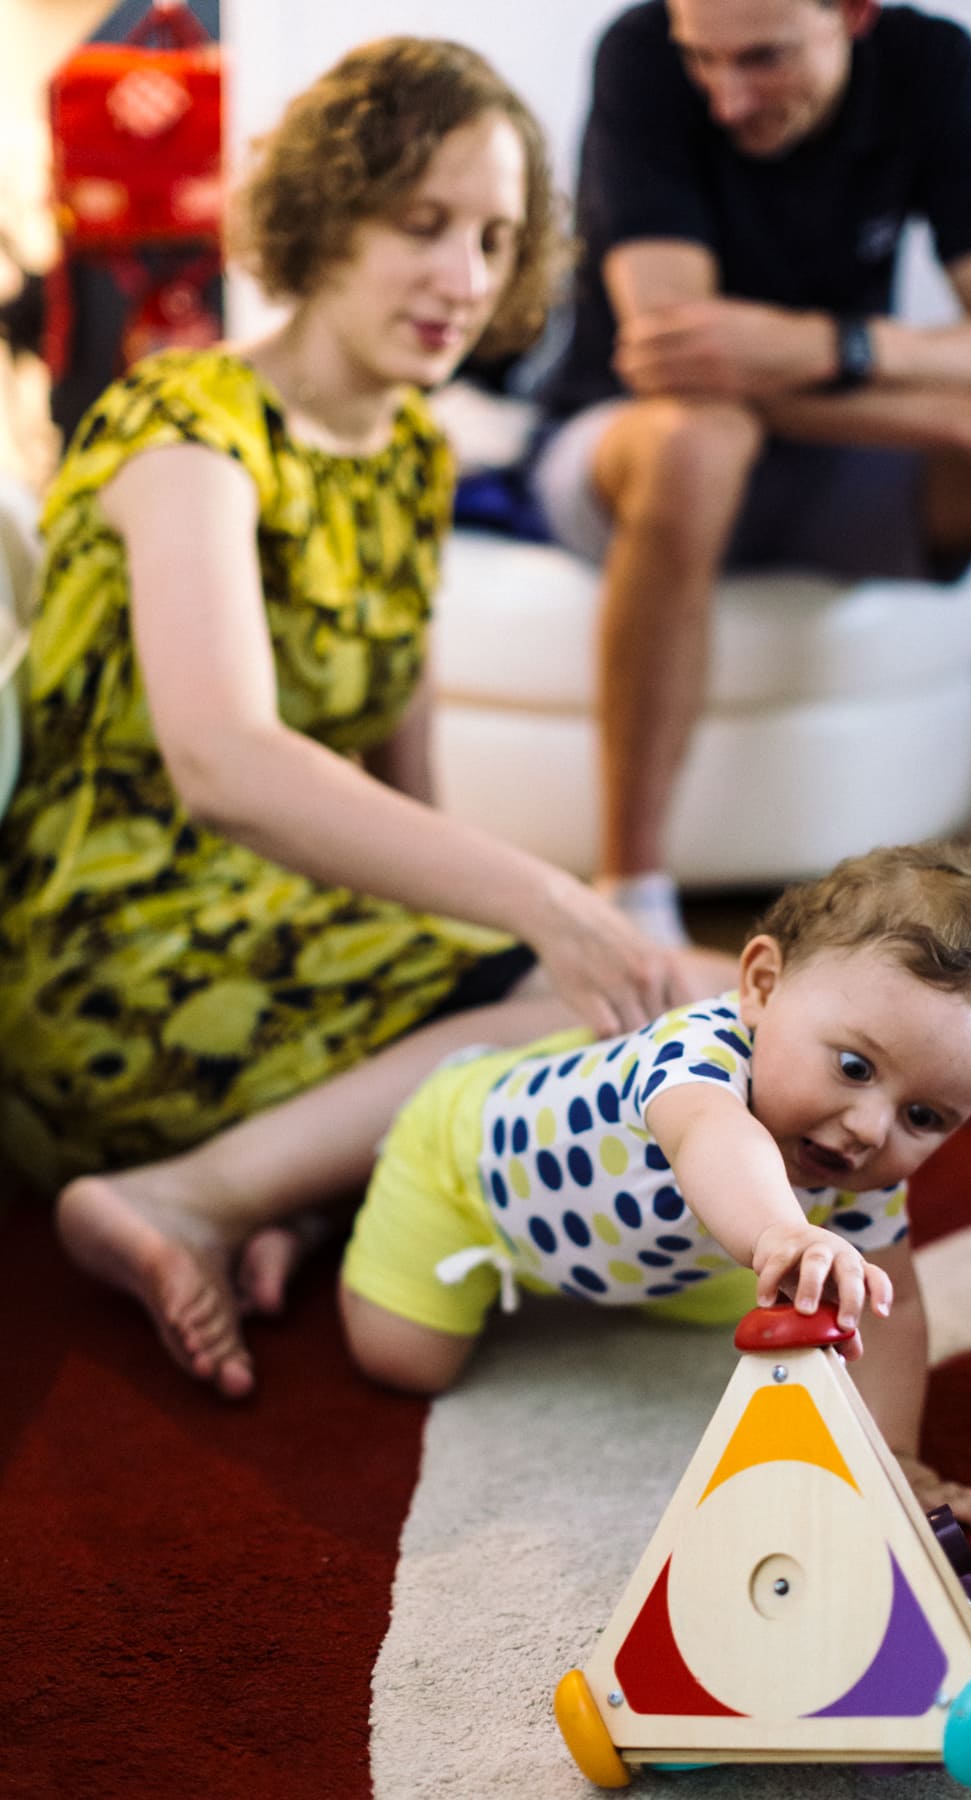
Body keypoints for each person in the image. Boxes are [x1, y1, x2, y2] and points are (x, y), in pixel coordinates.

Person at [1, 38, 734, 1398]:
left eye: (495, 239)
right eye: (423, 223)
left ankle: (317, 1191)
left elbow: (406, 795)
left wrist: (515, 934)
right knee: (619, 1010)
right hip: (115, 955)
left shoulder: (408, 452)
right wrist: (549, 904)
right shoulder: (186, 421)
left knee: (691, 1001)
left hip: (285, 931)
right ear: (327, 213)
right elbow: (223, 763)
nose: (466, 276)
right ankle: (189, 1195)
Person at [529, 0, 971, 1006]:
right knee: (700, 442)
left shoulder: (934, 66)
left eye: (764, 59)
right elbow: (684, 368)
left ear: (853, 14)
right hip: (634, 442)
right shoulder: (638, 55)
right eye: (703, 60)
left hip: (822, 448)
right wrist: (961, 416)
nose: (727, 98)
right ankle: (632, 893)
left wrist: (822, 345)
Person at [338, 841, 971, 1529]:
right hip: (464, 1176)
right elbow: (713, 1137)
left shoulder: (858, 1167)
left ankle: (734, 1242)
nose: (870, 1128)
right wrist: (783, 1232)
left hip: (666, 1237)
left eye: (924, 1117)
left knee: (794, 1285)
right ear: (761, 987)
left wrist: (895, 1454)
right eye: (854, 1067)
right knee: (405, 1359)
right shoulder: (694, 1050)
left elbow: (892, 1312)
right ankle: (341, 1203)